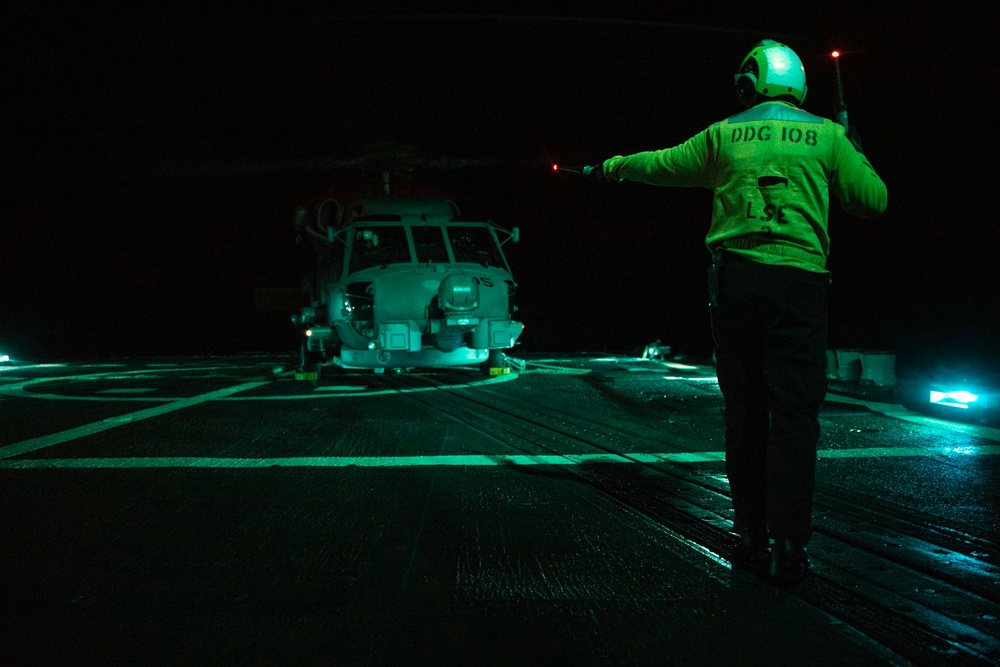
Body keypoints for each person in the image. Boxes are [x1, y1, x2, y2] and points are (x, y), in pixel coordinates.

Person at [590, 39, 887, 584]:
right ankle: (789, 544)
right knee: (795, 418)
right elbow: (872, 201)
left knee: (744, 413)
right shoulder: (826, 135)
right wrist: (857, 150)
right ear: (798, 84)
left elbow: (660, 164)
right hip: (800, 284)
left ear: (750, 82)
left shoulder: (724, 134)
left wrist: (611, 168)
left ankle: (749, 532)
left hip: (736, 282)